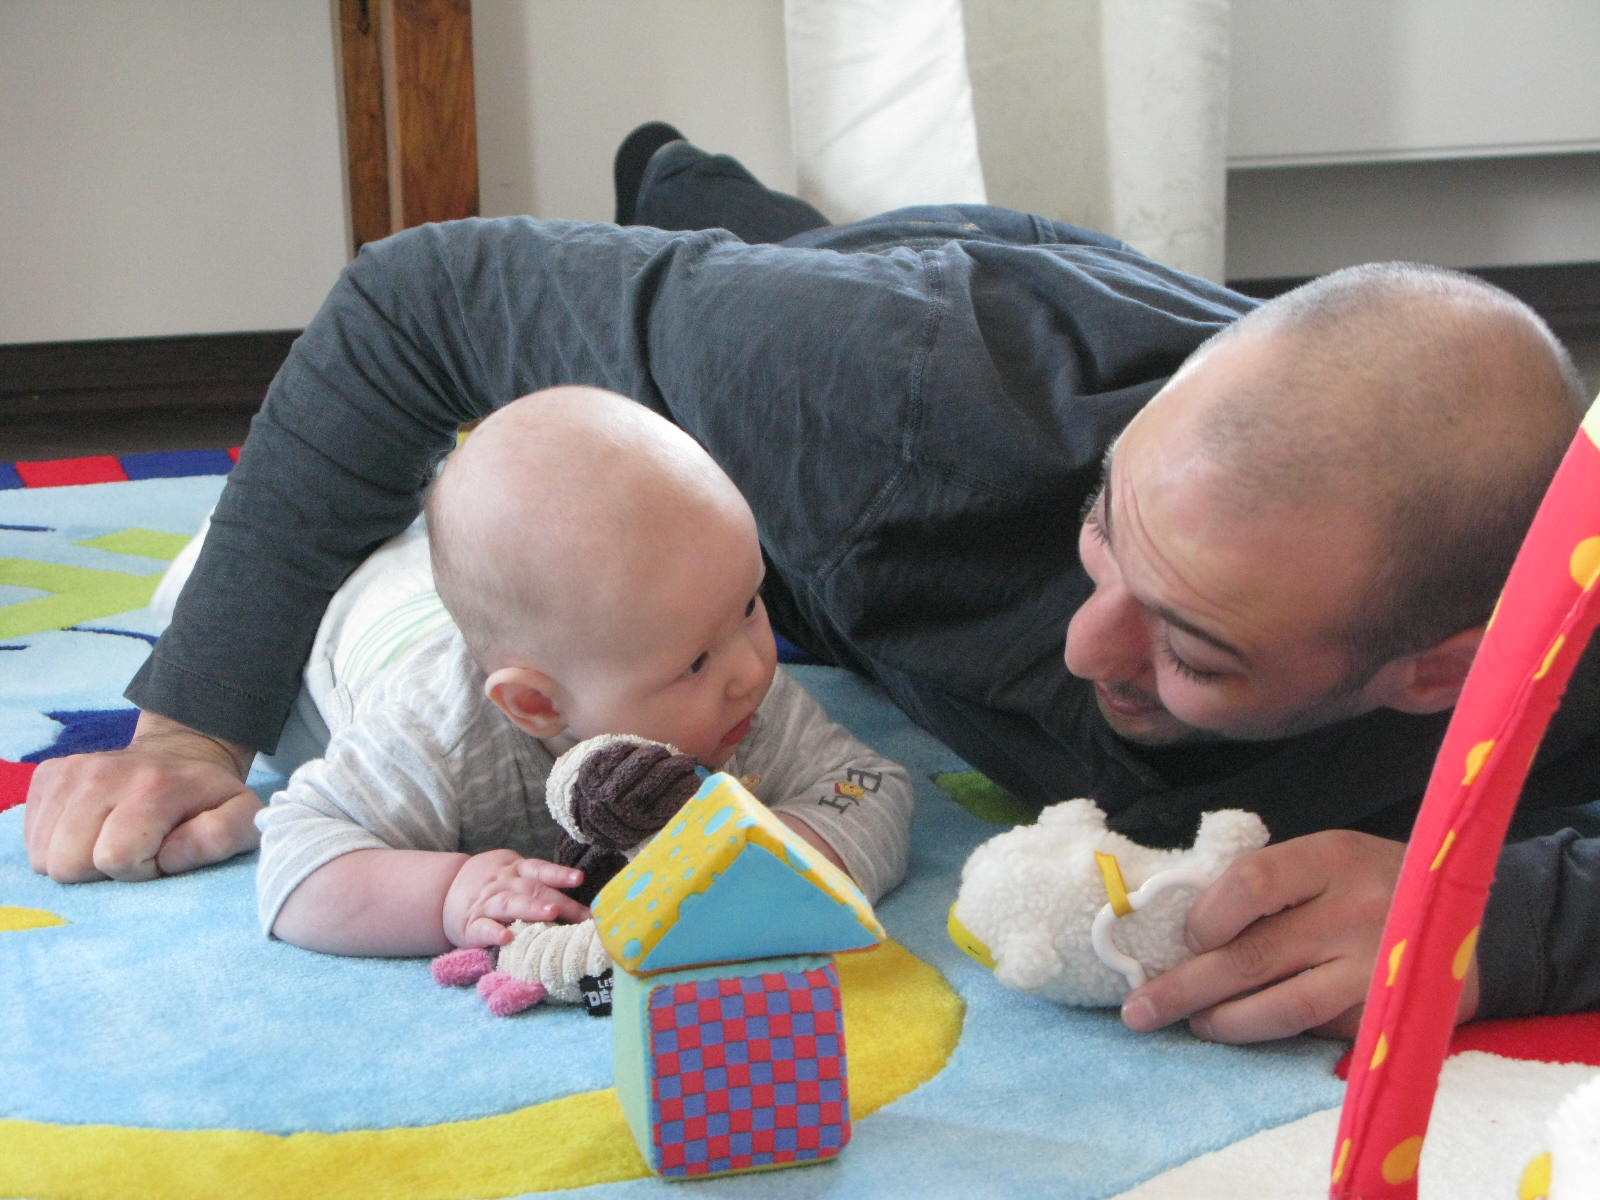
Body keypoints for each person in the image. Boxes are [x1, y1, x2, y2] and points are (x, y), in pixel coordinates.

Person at [24, 128, 1597, 1039]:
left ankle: (709, 196)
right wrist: (191, 728)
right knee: (785, 291)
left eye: (1192, 644)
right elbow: (416, 304)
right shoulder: (901, 399)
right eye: (1107, 533)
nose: (1084, 639)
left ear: (1439, 668)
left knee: (785, 280)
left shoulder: (1558, 645)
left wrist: (1501, 919)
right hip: (922, 338)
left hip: (919, 397)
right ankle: (687, 187)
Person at [231, 385, 912, 955]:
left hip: (499, 606)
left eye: (749, 606)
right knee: (260, 589)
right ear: (536, 705)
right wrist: (450, 892)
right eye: (696, 663)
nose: (753, 669)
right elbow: (297, 858)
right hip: (351, 626)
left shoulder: (731, 686)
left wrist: (782, 855)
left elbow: (867, 784)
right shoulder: (435, 739)